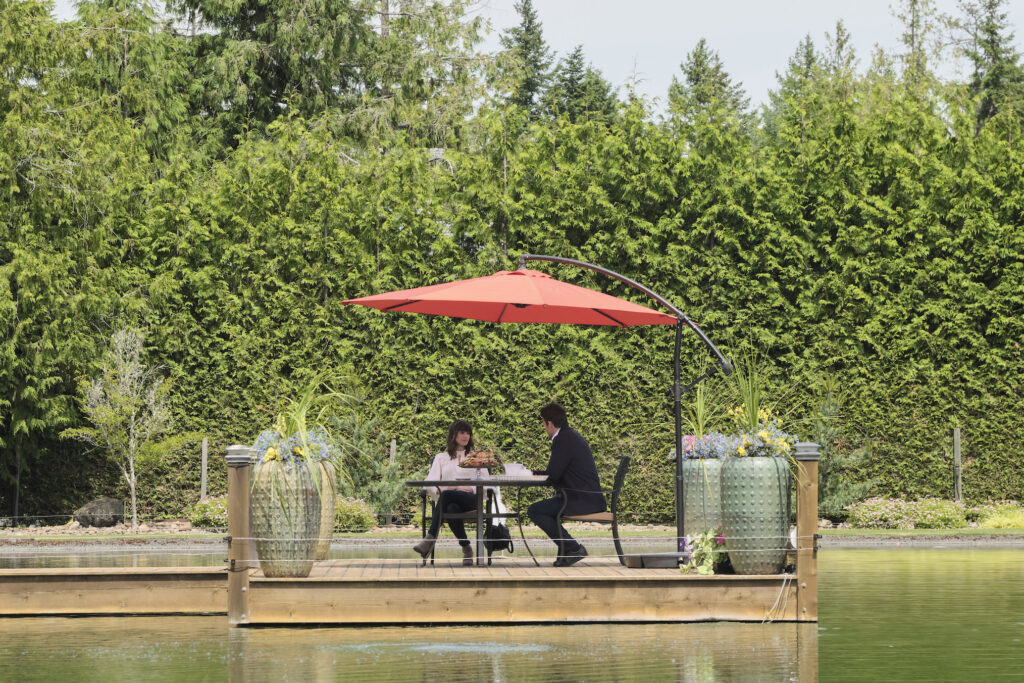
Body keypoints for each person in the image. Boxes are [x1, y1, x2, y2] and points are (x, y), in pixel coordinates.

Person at [528, 402, 606, 566]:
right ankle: (567, 550)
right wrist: (533, 473)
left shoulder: (563, 440)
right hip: (585, 497)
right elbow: (555, 473)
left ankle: (572, 548)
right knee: (544, 509)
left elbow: (553, 475)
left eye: (543, 424)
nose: (544, 428)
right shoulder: (570, 436)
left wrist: (529, 474)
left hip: (580, 499)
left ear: (549, 423)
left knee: (535, 510)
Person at [413, 419, 488, 566]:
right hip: (449, 501)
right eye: (462, 432)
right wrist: (446, 489)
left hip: (471, 500)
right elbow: (430, 482)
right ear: (453, 434)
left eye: (468, 433)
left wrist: (471, 488)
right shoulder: (441, 458)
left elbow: (487, 482)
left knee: (447, 495)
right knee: (451, 507)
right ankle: (466, 548)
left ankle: (430, 539)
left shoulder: (476, 457)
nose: (465, 436)